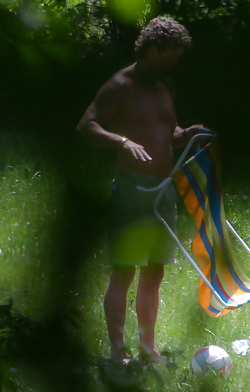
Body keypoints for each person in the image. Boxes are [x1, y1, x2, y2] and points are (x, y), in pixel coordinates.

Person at [76, 16, 209, 365]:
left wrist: (189, 133)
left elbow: (169, 131)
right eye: (172, 55)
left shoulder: (166, 84)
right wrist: (121, 141)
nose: (177, 62)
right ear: (153, 50)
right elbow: (85, 127)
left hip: (165, 190)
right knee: (124, 269)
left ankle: (147, 349)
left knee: (155, 270)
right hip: (132, 189)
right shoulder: (120, 84)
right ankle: (117, 350)